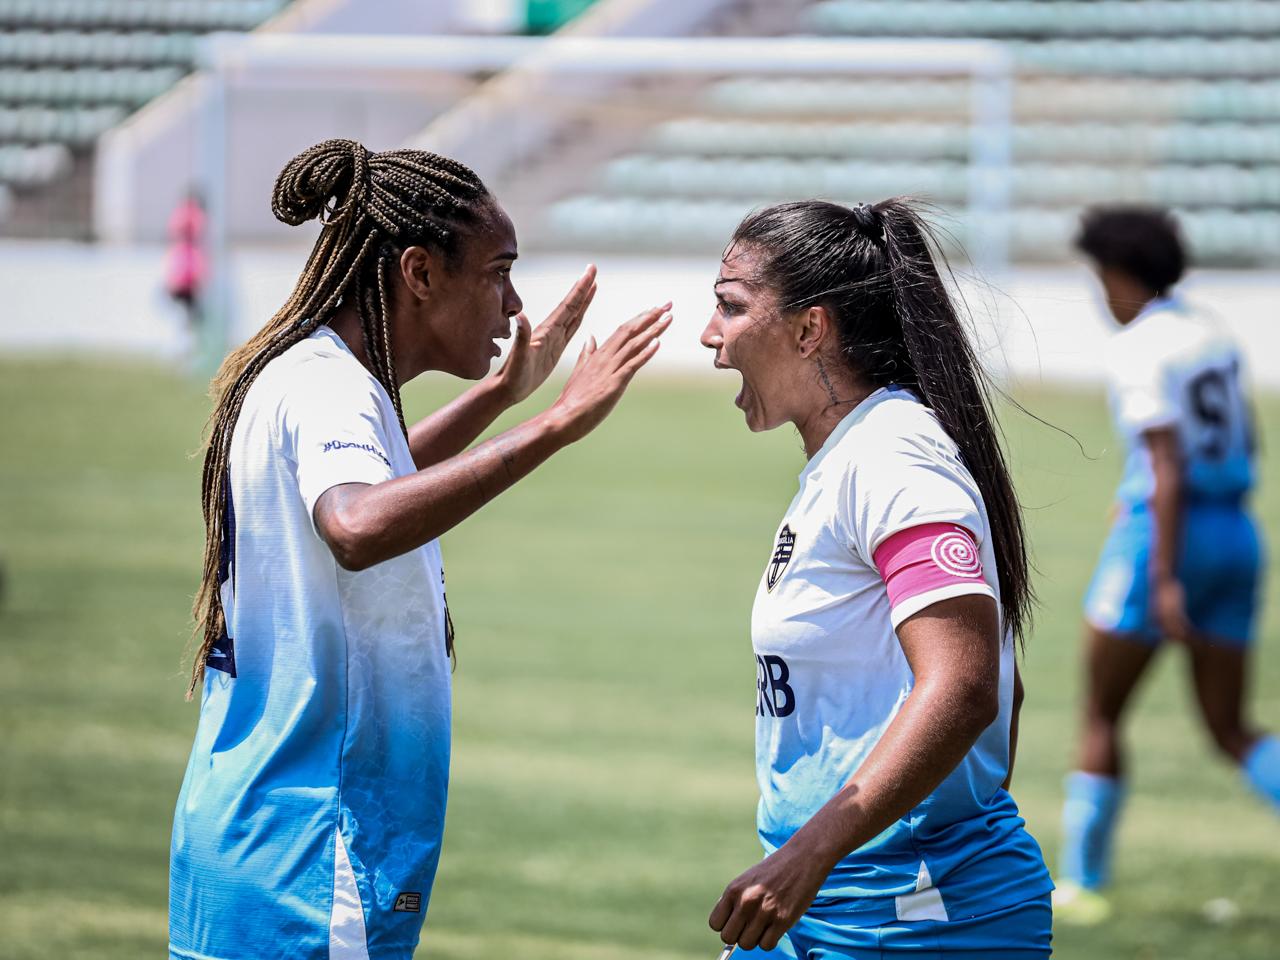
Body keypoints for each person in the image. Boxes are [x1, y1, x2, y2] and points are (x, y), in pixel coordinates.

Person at [169, 139, 670, 960]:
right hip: (314, 857)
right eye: (498, 271)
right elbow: (359, 525)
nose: (515, 307)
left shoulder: (316, 373)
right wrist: (554, 426)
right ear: (420, 273)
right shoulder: (332, 388)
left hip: (253, 839)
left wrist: (503, 398)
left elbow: (384, 483)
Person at [700, 199, 1052, 959]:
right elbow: (1003, 690)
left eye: (730, 307)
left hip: (909, 913)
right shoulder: (848, 458)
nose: (710, 337)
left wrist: (820, 853)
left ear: (808, 329)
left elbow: (966, 686)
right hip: (833, 899)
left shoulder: (892, 459)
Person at [1055, 206, 1277, 924]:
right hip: (1239, 532)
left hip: (1166, 537)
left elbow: (1165, 466)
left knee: (1100, 709)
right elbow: (1253, 437)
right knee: (1229, 727)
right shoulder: (1209, 331)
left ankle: (1082, 884)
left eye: (1099, 276)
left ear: (1120, 274)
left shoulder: (1139, 345)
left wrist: (1164, 574)